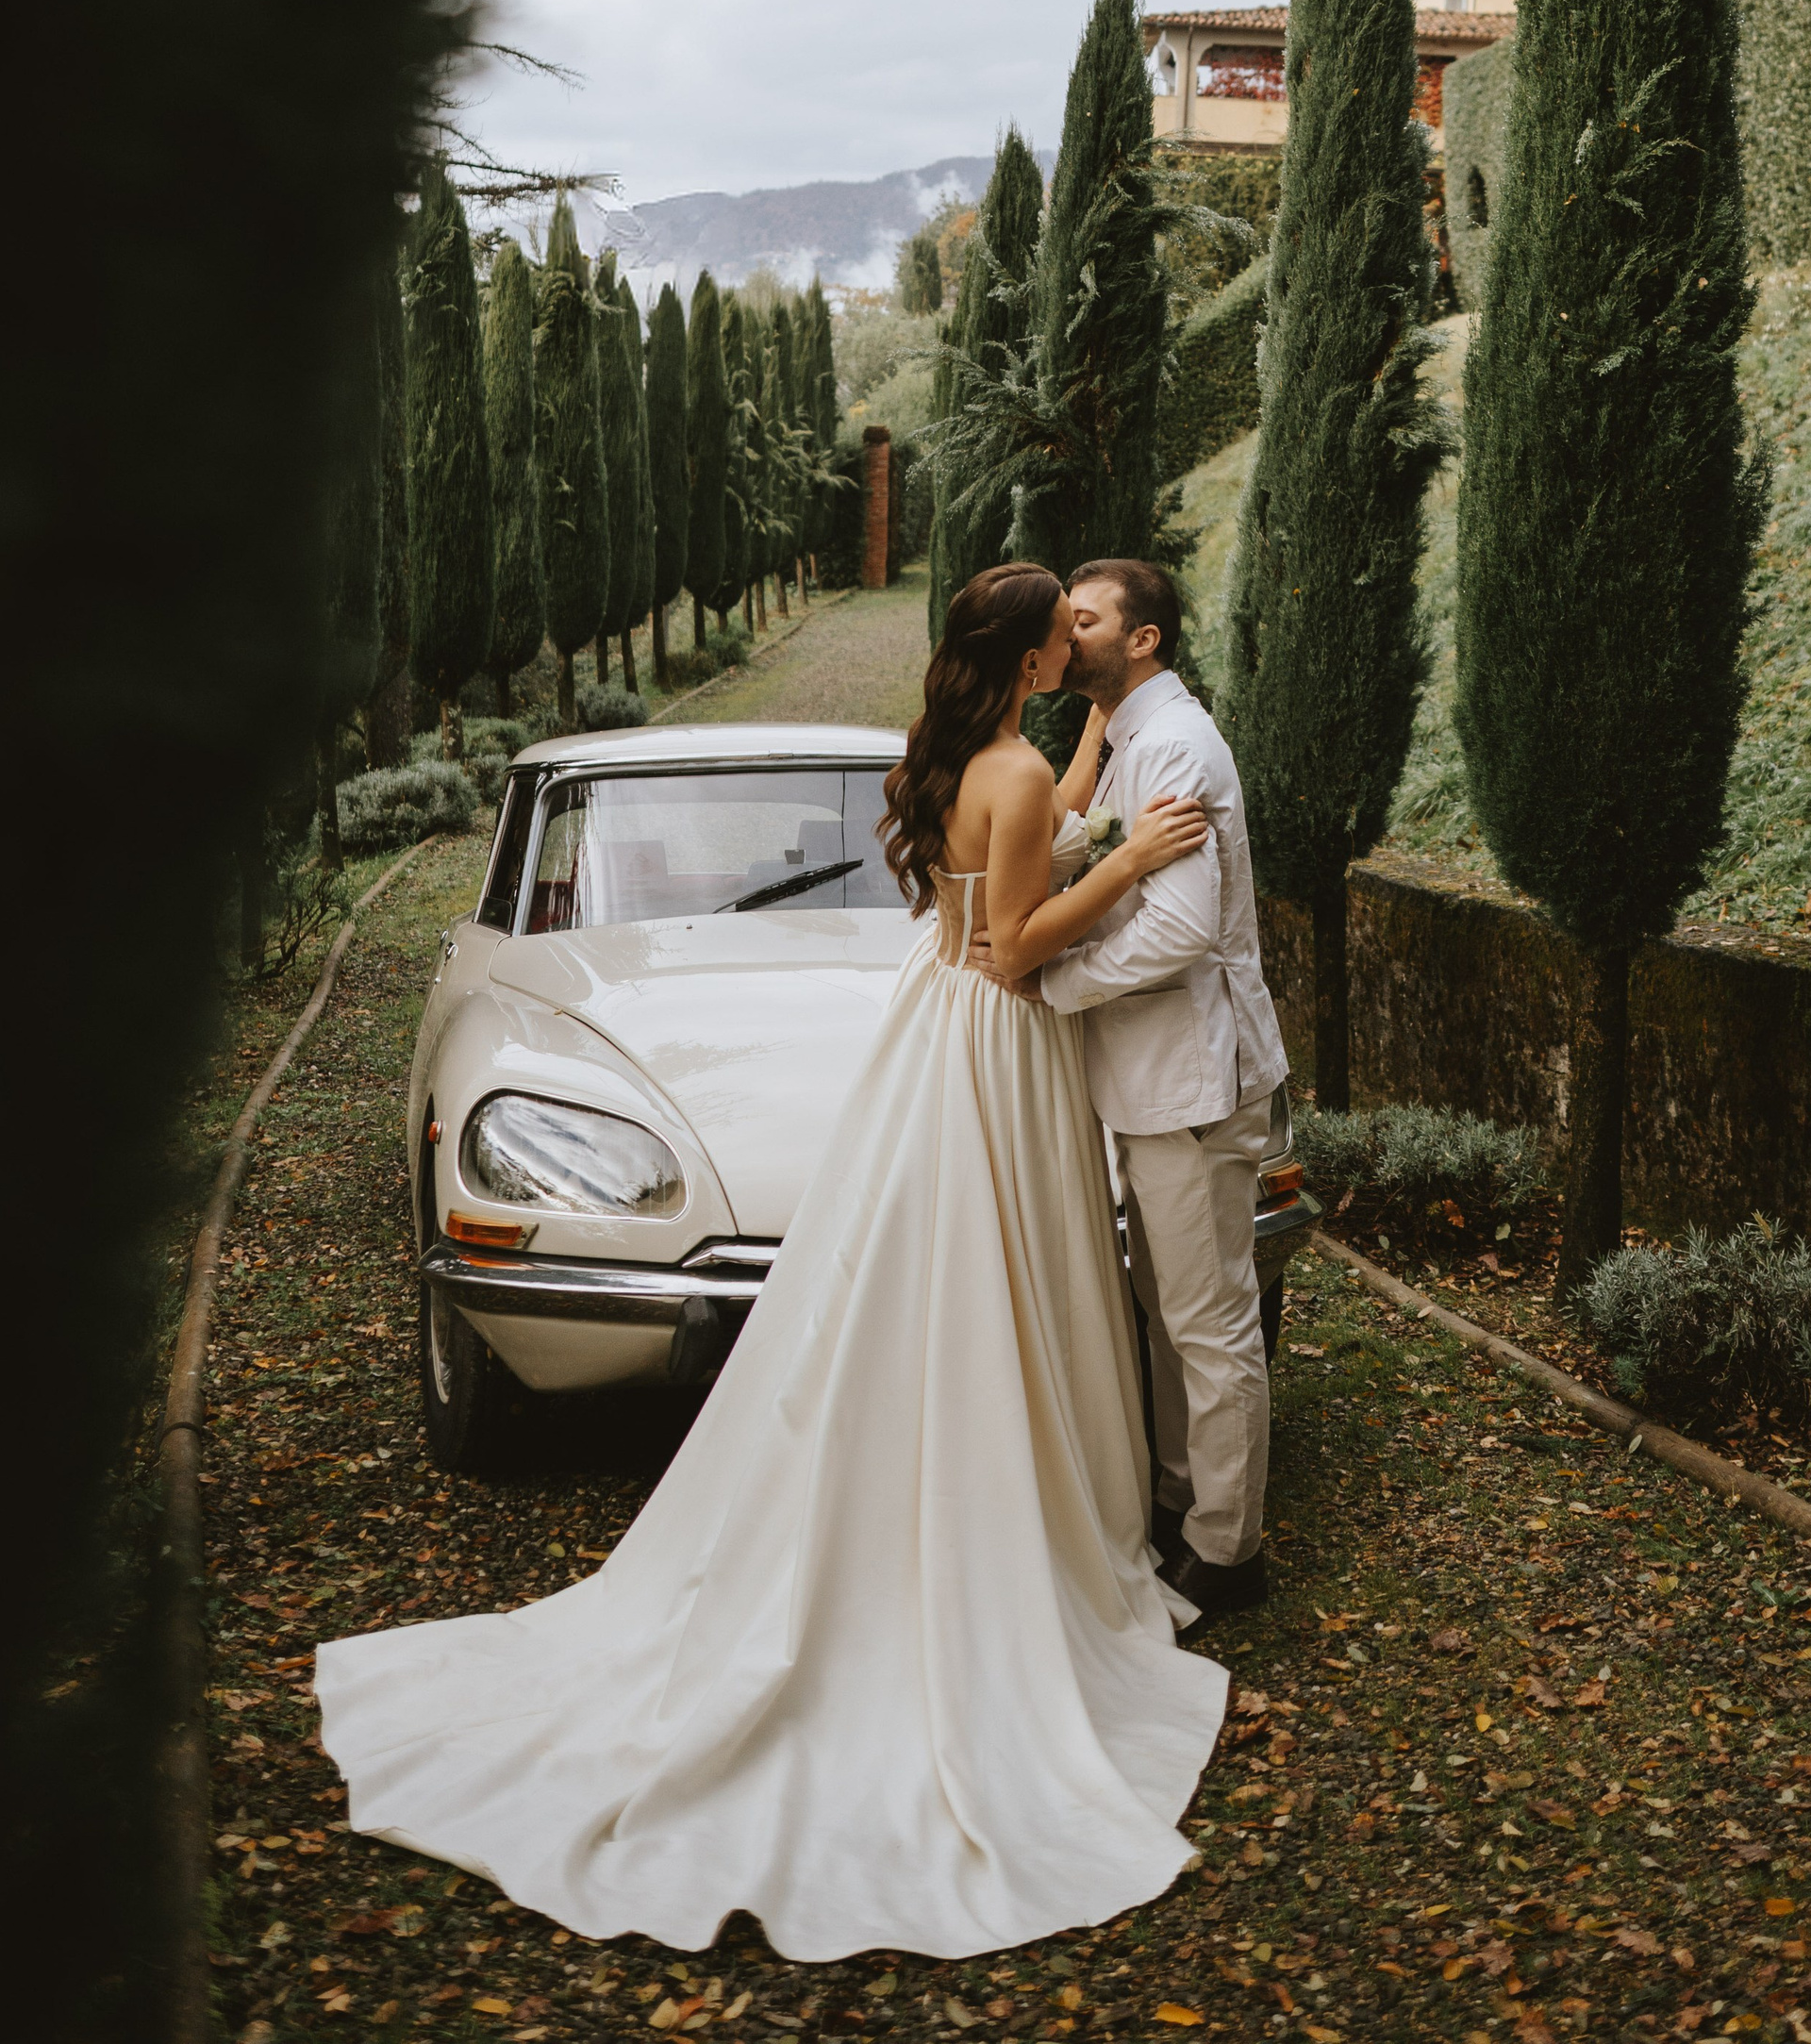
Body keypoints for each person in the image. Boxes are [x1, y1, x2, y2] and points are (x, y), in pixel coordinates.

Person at [314, 564, 1226, 1962]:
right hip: (995, 1038)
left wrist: (1086, 781)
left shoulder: (957, 756)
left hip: (928, 1037)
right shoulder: (1023, 781)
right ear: (1036, 658)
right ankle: (1004, 1523)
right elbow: (1012, 950)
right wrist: (1132, 862)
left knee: (920, 1274)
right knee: (1004, 1283)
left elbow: (994, 863)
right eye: (1063, 636)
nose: (1074, 649)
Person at [1035, 558, 1290, 1620]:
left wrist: (1055, 982)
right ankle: (1185, 1504)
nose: (1065, 633)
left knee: (1209, 1317)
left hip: (1192, 1081)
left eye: (1084, 619)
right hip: (1153, 1079)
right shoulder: (1127, 738)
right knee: (1165, 1309)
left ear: (1142, 639)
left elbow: (1183, 928)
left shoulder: (1176, 743)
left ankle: (1229, 1549)